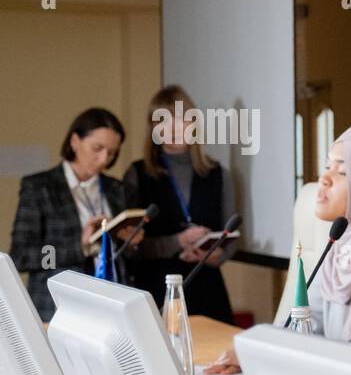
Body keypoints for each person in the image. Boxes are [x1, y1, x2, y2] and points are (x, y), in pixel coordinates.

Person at [204, 124, 351, 374]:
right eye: (327, 166)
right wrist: (253, 351)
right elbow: (307, 321)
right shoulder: (343, 236)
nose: (324, 179)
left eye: (343, 172)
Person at [9, 107, 137, 320]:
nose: (104, 159)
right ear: (75, 141)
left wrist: (130, 241)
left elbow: (128, 259)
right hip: (59, 309)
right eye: (97, 148)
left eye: (112, 152)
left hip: (114, 304)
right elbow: (21, 257)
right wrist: (79, 246)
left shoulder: (118, 189)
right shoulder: (40, 186)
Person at [124, 85, 238, 322]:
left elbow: (231, 237)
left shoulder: (218, 174)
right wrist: (177, 241)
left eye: (180, 120)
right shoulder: (137, 174)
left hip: (207, 289)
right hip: (155, 291)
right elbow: (131, 247)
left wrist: (217, 256)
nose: (173, 129)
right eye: (163, 121)